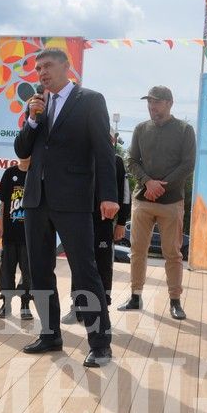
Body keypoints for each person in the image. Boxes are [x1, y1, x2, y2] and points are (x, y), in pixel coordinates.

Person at [14, 48, 118, 368]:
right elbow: (22, 150)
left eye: (46, 66)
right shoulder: (38, 106)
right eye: (37, 68)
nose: (41, 73)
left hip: (73, 199)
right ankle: (50, 334)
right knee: (39, 271)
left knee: (85, 271)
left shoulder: (90, 100)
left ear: (66, 66)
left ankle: (99, 343)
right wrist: (32, 120)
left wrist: (109, 195)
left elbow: (103, 150)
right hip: (36, 200)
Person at [119, 86, 195, 320]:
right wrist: (147, 182)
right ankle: (135, 295)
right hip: (143, 200)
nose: (152, 107)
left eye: (157, 102)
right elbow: (132, 161)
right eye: (150, 102)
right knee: (137, 250)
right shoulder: (141, 129)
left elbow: (187, 164)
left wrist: (161, 186)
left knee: (172, 253)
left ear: (170, 103)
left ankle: (175, 300)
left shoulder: (184, 129)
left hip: (171, 202)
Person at [62, 135, 131, 324]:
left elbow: (125, 195)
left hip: (103, 224)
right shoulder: (80, 157)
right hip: (79, 220)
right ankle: (77, 308)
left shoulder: (116, 162)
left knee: (102, 266)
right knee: (78, 263)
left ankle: (103, 308)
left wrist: (121, 222)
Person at [0, 156, 34, 320]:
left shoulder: (36, 174)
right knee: (6, 270)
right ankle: (6, 303)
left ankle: (25, 304)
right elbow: (3, 202)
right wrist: (0, 225)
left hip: (29, 235)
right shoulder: (10, 173)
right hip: (10, 234)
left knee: (28, 270)